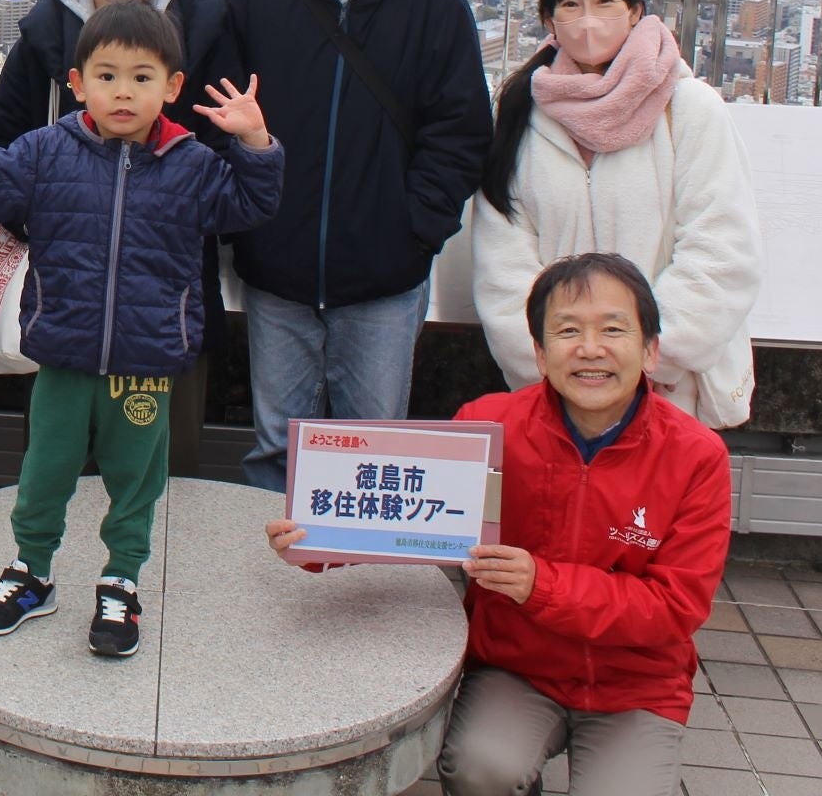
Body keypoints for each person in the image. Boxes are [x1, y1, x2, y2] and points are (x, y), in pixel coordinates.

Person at [0, 1, 284, 658]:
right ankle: (31, 571)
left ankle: (121, 579)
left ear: (172, 87)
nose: (122, 92)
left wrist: (254, 143)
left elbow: (251, 204)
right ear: (77, 84)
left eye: (140, 77)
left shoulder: (190, 167)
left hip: (145, 360)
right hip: (64, 355)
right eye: (106, 76)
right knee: (44, 471)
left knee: (136, 479)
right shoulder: (47, 153)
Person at [265, 253, 731, 796]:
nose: (590, 349)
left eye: (613, 330)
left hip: (636, 686)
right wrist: (317, 539)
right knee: (480, 769)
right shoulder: (490, 426)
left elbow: (675, 608)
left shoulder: (696, 456)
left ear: (650, 348)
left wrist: (543, 585)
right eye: (567, 331)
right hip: (516, 667)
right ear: (539, 351)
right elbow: (413, 515)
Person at [222, 0, 493, 489]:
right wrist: (246, 222)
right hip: (275, 267)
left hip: (384, 275)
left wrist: (414, 228)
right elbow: (217, 110)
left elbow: (460, 130)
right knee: (273, 447)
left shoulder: (432, 1)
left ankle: (358, 586)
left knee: (371, 447)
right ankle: (269, 578)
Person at [0, 0, 243, 476]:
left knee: (158, 466)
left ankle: (143, 571)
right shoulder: (45, 34)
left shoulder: (205, 30)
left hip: (166, 288)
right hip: (67, 287)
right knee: (57, 462)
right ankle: (44, 563)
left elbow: (227, 158)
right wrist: (42, 215)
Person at [471, 0, 762, 428]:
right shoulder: (521, 113)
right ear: (549, 20)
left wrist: (642, 355)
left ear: (636, 12)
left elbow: (722, 248)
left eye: (605, 1)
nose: (588, 20)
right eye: (570, 4)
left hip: (669, 396)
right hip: (554, 401)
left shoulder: (688, 109)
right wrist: (555, 361)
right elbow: (502, 260)